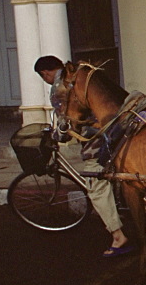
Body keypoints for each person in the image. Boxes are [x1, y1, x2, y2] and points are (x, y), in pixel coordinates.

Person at [34, 56, 132, 258]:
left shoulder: (62, 87)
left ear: (45, 73)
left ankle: (118, 236)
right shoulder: (85, 74)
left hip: (101, 136)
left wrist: (59, 136)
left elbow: (66, 122)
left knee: (95, 183)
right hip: (120, 124)